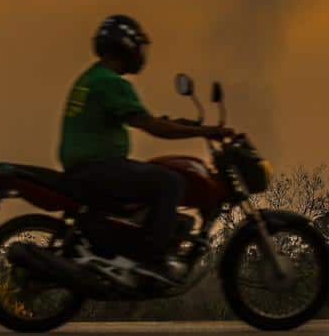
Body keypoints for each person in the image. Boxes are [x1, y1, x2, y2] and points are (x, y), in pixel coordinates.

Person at [59, 14, 229, 283]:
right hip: (100, 168)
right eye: (139, 46)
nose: (141, 54)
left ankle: (130, 249)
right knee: (171, 182)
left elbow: (140, 118)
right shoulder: (112, 82)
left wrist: (177, 124)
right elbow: (152, 127)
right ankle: (152, 261)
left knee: (151, 178)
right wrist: (204, 131)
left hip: (85, 169)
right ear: (126, 45)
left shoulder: (90, 78)